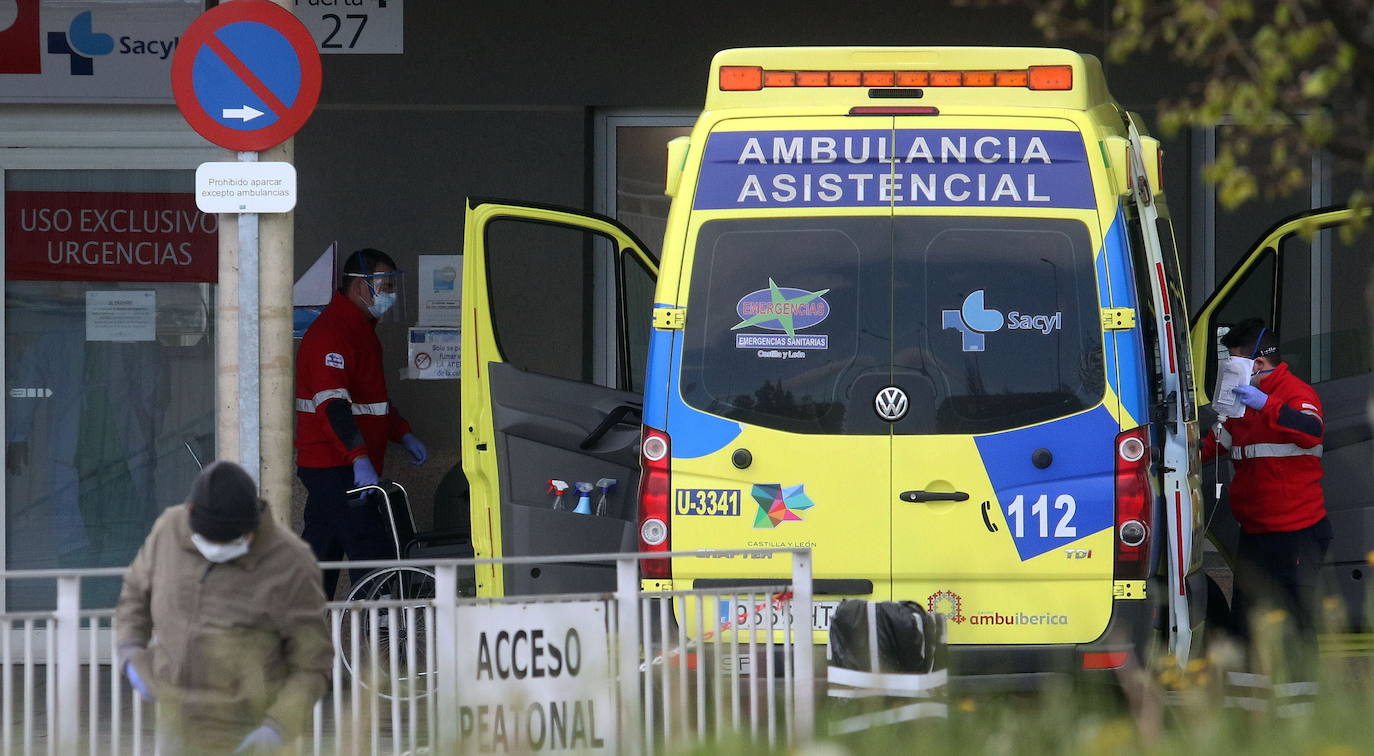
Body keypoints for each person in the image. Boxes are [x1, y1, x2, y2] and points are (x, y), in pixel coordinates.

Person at [115, 461, 331, 754]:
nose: (219, 550)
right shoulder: (168, 531)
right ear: (191, 515)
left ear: (253, 523)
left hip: (251, 726)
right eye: (210, 539)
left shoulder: (291, 562)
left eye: (233, 540)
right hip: (177, 719)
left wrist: (277, 727)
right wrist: (130, 650)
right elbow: (134, 594)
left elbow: (313, 663)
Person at [295, 248, 428, 597]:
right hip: (335, 465)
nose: (391, 295)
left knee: (321, 552)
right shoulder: (332, 334)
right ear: (359, 286)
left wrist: (403, 432)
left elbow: (371, 400)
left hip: (339, 465)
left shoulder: (360, 330)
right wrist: (358, 458)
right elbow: (333, 406)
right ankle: (383, 635)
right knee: (371, 550)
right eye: (385, 286)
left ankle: (297, 637)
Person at [1203, 318, 1330, 678]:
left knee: (1296, 625)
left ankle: (1301, 711)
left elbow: (1312, 431)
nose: (1228, 370)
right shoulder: (1238, 405)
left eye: (1234, 361)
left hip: (1297, 533)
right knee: (1246, 624)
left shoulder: (1296, 394)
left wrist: (1266, 404)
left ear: (1258, 363)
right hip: (1256, 533)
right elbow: (1214, 445)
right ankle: (1248, 709)